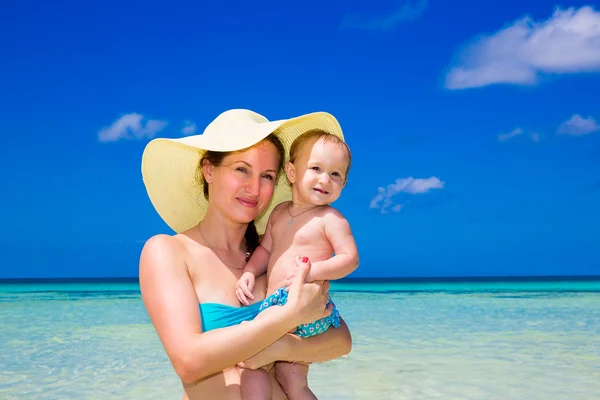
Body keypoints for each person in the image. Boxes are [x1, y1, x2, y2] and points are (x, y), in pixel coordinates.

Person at [138, 109, 353, 400]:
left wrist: (286, 348)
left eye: (266, 176)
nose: (254, 188)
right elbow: (189, 362)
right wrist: (287, 317)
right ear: (209, 170)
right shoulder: (169, 252)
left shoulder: (275, 252)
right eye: (242, 169)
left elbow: (341, 340)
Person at [235, 129, 359, 399]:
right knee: (288, 381)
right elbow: (265, 249)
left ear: (344, 183)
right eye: (316, 168)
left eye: (336, 174)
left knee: (248, 352)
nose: (325, 179)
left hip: (301, 302)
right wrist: (249, 272)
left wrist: (314, 271)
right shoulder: (279, 212)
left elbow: (350, 259)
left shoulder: (330, 218)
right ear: (292, 173)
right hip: (280, 305)